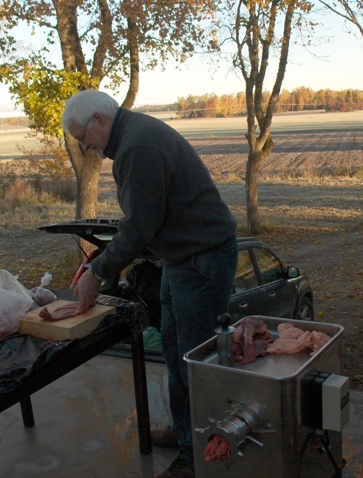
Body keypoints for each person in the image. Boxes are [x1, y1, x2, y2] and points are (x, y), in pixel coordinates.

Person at [63, 89, 238, 478]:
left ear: (99, 120)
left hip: (203, 260)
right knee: (176, 353)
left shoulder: (137, 147)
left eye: (82, 137)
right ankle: (184, 434)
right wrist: (101, 261)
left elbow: (141, 226)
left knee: (196, 362)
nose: (85, 146)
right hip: (180, 260)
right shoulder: (133, 137)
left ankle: (196, 459)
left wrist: (99, 273)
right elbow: (142, 219)